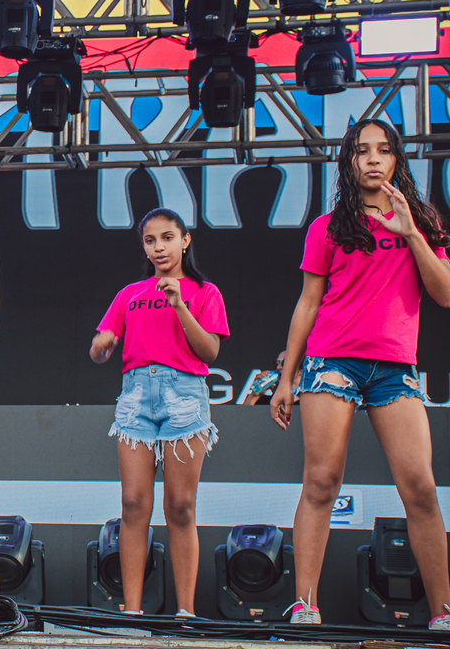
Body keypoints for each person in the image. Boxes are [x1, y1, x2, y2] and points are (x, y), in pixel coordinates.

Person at [271, 118, 450, 628]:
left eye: (383, 150)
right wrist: (286, 379)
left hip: (395, 369)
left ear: (396, 159)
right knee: (321, 481)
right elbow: (308, 303)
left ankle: (443, 612)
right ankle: (305, 605)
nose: (373, 158)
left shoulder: (420, 220)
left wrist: (410, 232)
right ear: (349, 161)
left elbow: (444, 293)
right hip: (333, 362)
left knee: (420, 487)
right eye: (362, 150)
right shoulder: (328, 227)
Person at [91, 207, 228, 618]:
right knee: (133, 504)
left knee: (180, 506)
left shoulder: (205, 292)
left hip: (183, 396)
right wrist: (101, 347)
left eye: (167, 238)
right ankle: (132, 612)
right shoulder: (129, 294)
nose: (159, 247)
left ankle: (185, 613)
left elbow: (210, 351)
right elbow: (100, 346)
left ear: (185, 240)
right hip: (136, 397)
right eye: (150, 240)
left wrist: (179, 305)